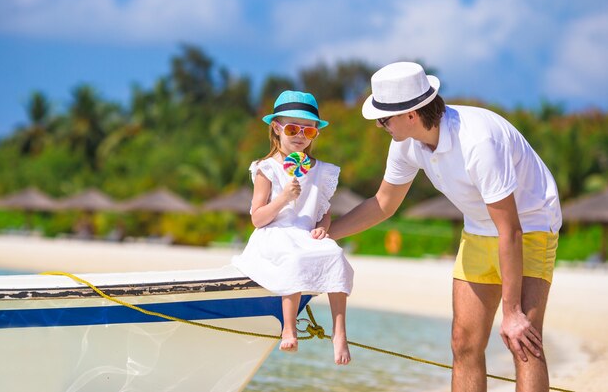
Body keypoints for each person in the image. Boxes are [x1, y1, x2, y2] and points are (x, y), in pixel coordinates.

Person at [329, 62, 561, 391]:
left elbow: (510, 229)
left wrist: (511, 312)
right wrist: (325, 233)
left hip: (531, 221)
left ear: (411, 114)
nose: (380, 125)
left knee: (523, 338)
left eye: (384, 118)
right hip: (479, 227)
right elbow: (383, 204)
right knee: (463, 342)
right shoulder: (405, 144)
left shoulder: (478, 142)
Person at [232, 90, 354, 365]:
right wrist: (284, 198)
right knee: (294, 259)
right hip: (274, 233)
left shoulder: (320, 170)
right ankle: (289, 328)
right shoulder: (267, 168)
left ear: (316, 134)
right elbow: (258, 218)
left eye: (308, 131)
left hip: (305, 234)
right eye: (292, 128)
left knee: (335, 255)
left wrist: (323, 227)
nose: (300, 135)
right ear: (276, 128)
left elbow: (324, 211)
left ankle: (339, 333)